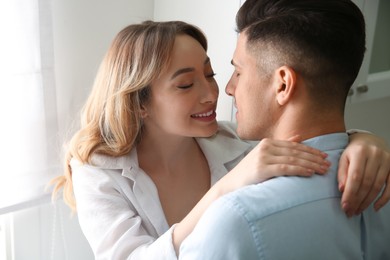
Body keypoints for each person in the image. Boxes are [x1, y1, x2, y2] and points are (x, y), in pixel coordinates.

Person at [50, 20, 390, 259]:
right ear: (139, 103)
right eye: (186, 84)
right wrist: (224, 189)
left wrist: (364, 140)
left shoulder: (228, 138)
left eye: (210, 74)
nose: (213, 93)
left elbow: (312, 135)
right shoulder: (98, 171)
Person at [179, 0, 390, 259]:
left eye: (238, 72)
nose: (229, 88)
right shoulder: (383, 182)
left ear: (282, 85)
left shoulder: (235, 221)